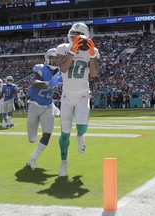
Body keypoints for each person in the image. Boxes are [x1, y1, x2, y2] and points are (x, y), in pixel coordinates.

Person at [55, 22, 99, 176]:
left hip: (82, 95)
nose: (75, 37)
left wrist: (92, 54)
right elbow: (63, 68)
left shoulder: (91, 50)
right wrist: (72, 52)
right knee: (65, 132)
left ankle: (80, 135)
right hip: (67, 96)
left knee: (81, 125)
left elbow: (93, 73)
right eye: (73, 34)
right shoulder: (63, 48)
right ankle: (63, 162)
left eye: (78, 35)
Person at [27, 48, 62, 169]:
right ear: (47, 59)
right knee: (32, 138)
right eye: (52, 58)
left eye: (56, 58)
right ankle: (32, 145)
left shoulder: (61, 73)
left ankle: (33, 159)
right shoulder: (41, 68)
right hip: (34, 105)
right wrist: (48, 83)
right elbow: (35, 82)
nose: (54, 61)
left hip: (48, 106)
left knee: (47, 134)